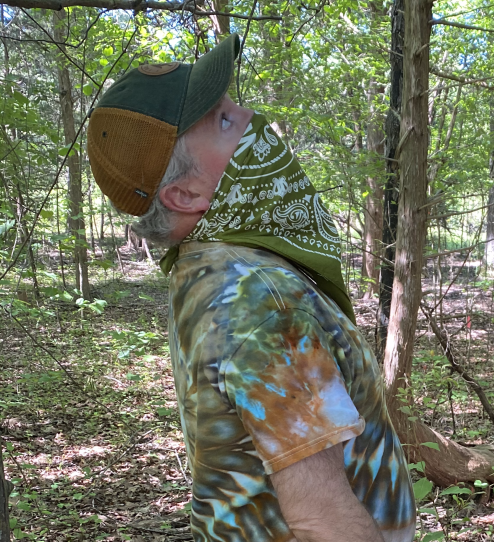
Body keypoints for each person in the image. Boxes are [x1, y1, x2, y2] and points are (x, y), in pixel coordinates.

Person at [86, 33, 416, 542]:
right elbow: (322, 520)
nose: (249, 116)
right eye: (222, 119)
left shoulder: (201, 267)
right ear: (185, 193)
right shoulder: (258, 297)